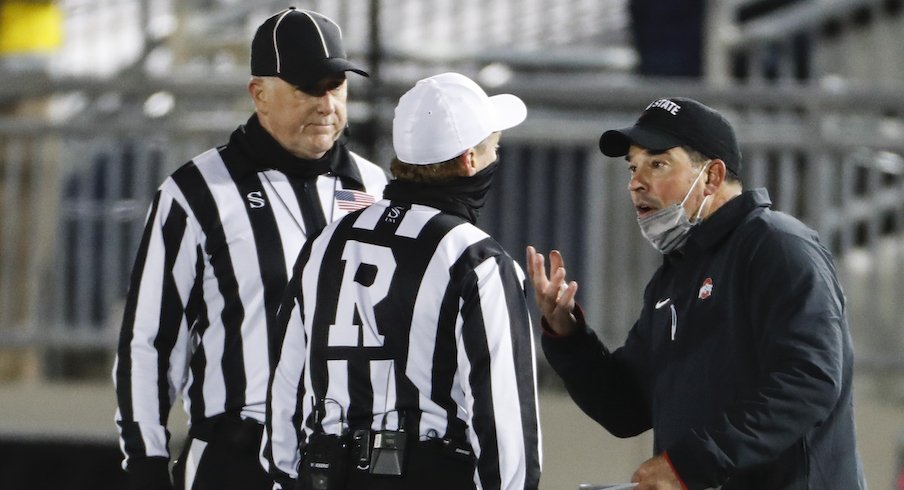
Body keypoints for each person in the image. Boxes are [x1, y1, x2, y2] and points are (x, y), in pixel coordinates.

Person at [527, 97, 866, 489]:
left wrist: (691, 463)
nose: (636, 181)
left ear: (713, 176)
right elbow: (626, 409)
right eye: (633, 167)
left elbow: (810, 379)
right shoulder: (675, 276)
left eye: (658, 164)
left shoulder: (778, 246)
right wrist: (568, 336)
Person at [113, 7, 388, 490]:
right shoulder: (197, 191)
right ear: (259, 94)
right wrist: (146, 461)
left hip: (349, 456)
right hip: (239, 458)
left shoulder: (372, 186)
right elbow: (151, 340)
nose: (327, 104)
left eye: (336, 86)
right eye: (308, 88)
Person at [265, 72, 541, 490]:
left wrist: (287, 475)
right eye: (493, 150)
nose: (494, 160)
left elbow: (287, 380)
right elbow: (503, 418)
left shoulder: (326, 241)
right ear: (469, 160)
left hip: (325, 472)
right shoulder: (475, 258)